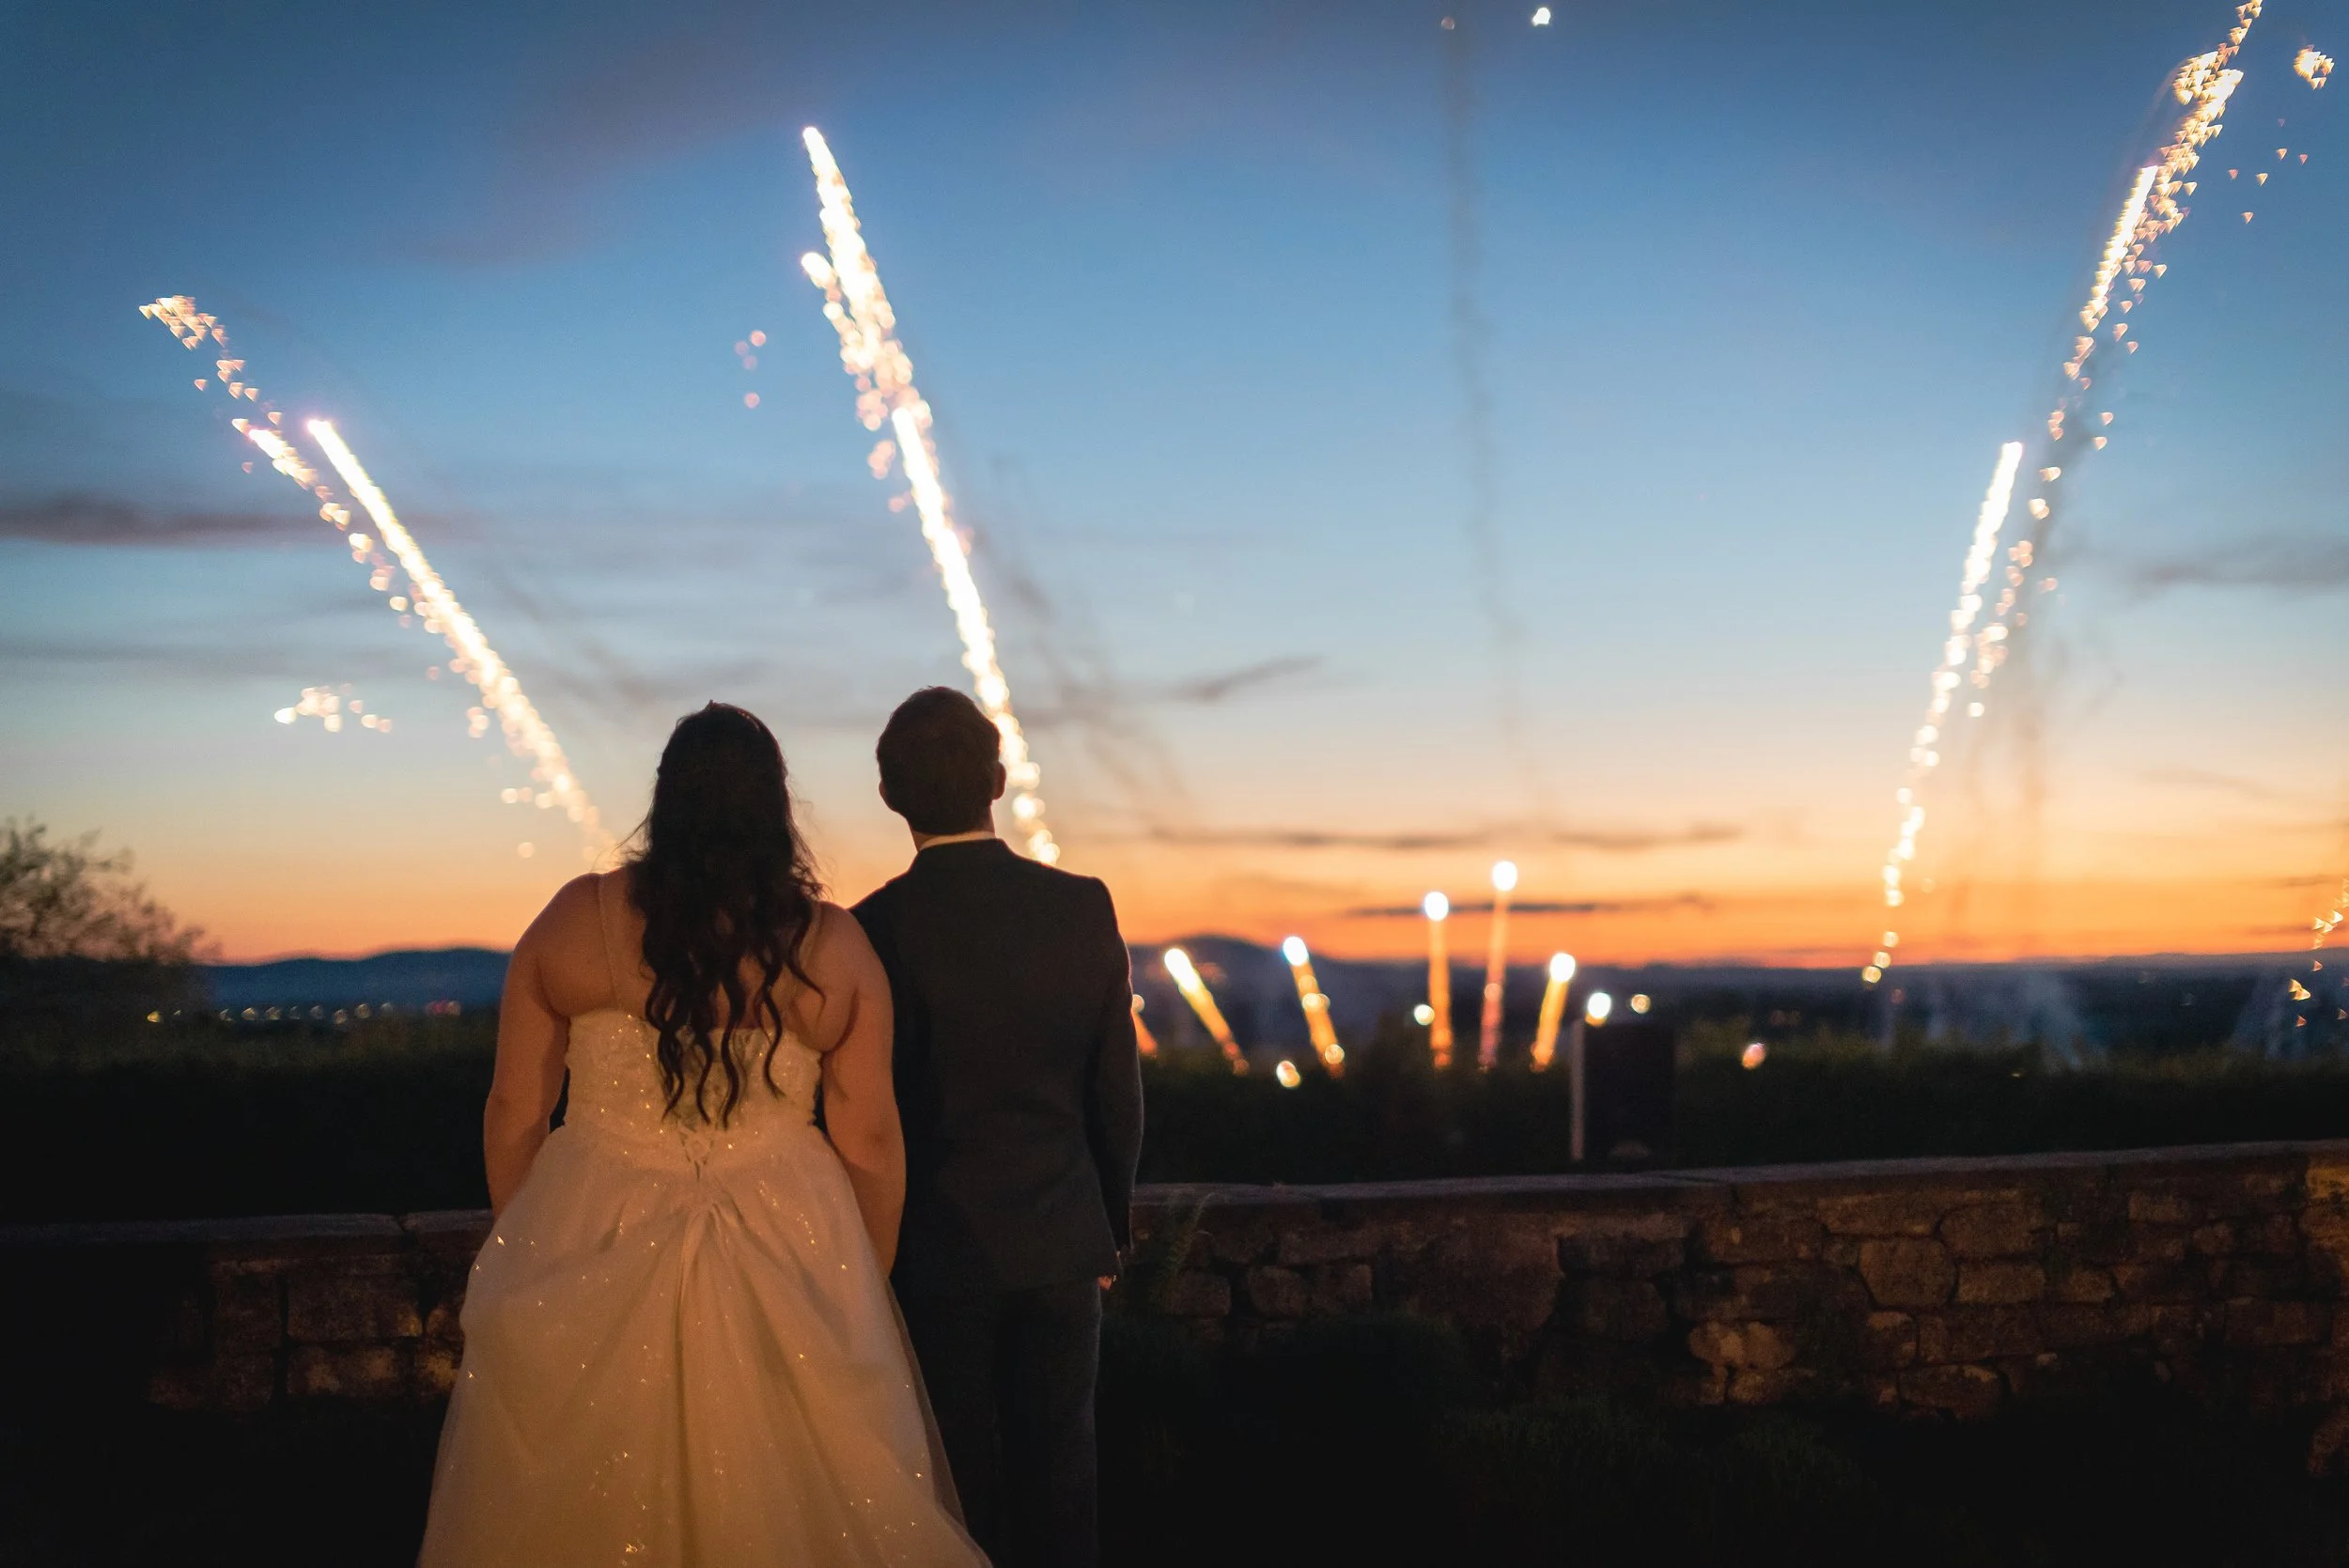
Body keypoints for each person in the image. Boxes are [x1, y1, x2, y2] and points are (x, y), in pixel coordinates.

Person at [419, 704, 985, 1568]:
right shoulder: (834, 946)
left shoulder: (574, 921)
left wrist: (535, 1241)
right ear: (776, 806)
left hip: (594, 1219)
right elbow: (870, 1136)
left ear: (665, 798)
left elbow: (515, 1108)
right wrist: (857, 1283)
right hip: (790, 1233)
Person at [851, 688, 1144, 1568]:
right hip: (1060, 1242)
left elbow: (864, 1109)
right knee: (1062, 1483)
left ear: (889, 794)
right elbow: (1116, 1094)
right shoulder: (1082, 906)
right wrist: (1109, 1226)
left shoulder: (872, 930)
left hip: (932, 1252)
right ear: (999, 778)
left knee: (954, 1491)